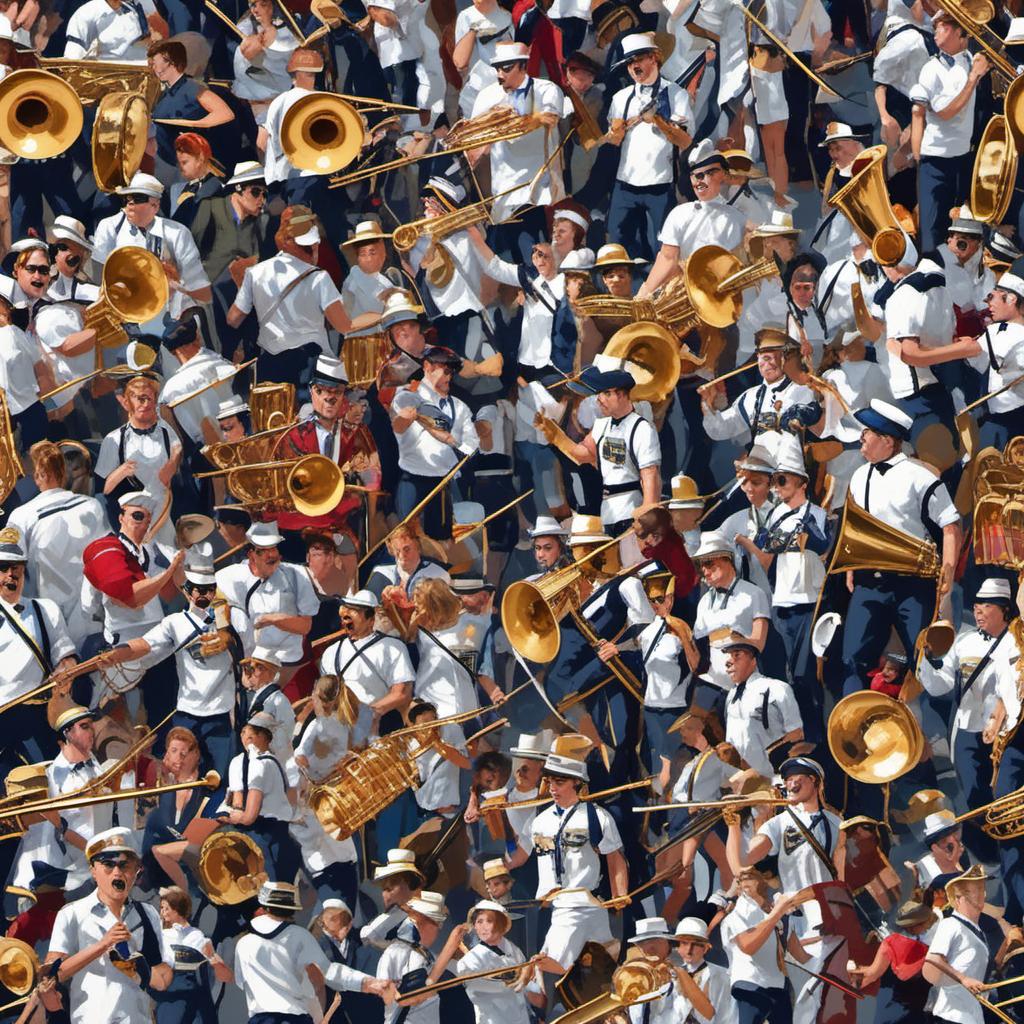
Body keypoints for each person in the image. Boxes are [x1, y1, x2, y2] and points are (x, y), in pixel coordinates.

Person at [841, 399, 962, 696]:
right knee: (852, 658)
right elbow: (856, 527)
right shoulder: (858, 476)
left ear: (887, 440)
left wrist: (946, 577)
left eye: (868, 432)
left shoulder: (920, 477)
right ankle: (854, 726)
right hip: (870, 582)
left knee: (924, 659)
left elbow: (951, 527)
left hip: (913, 582)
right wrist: (854, 565)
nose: (862, 438)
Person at [95, 555, 247, 779]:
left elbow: (245, 649)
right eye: (196, 589)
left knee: (222, 779)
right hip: (187, 712)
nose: (202, 595)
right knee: (178, 777)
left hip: (221, 715)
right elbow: (145, 644)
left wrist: (227, 635)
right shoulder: (174, 623)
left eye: (207, 589)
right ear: (186, 591)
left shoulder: (232, 619)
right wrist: (118, 655)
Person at [47, 828, 174, 1024]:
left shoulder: (148, 914)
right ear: (93, 872)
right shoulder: (71, 914)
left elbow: (162, 976)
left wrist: (135, 967)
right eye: (108, 865)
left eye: (125, 865)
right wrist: (102, 945)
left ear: (135, 871)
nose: (117, 873)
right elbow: (53, 974)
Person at [527, 745, 628, 975]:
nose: (553, 789)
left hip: (583, 902)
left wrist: (619, 894)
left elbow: (614, 857)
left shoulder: (597, 816)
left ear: (577, 783)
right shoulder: (540, 821)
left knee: (547, 968)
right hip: (553, 905)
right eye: (550, 782)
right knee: (594, 972)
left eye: (559, 783)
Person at [234, 881, 395, 1022]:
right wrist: (370, 983)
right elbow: (329, 972)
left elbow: (242, 983)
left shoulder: (243, 944)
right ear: (291, 910)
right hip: (294, 1019)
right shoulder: (300, 936)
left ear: (263, 908)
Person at [226, 205, 351, 385]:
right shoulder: (319, 278)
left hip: (273, 367)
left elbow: (233, 319)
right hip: (315, 366)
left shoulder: (255, 273)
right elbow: (344, 326)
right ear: (312, 244)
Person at [7, 440, 107, 646]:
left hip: (53, 626)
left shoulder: (21, 517)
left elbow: (10, 574)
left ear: (38, 475)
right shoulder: (93, 505)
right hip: (99, 617)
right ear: (63, 470)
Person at [605, 32, 692, 261]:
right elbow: (613, 141)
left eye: (639, 59)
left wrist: (658, 121)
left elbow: (685, 141)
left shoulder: (675, 94)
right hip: (625, 185)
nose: (635, 67)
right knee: (617, 246)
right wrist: (614, 133)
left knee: (663, 248)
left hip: (660, 185)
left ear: (654, 58)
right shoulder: (620, 98)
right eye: (630, 63)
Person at [909, 9, 990, 251]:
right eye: (935, 28)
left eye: (942, 28)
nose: (935, 34)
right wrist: (973, 79)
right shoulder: (931, 69)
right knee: (932, 234)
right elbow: (943, 112)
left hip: (964, 159)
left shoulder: (971, 60)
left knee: (963, 228)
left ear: (958, 31)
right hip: (935, 161)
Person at [0, 526, 77, 772]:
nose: (10, 575)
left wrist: (66, 674)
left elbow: (66, 657)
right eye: (2, 568)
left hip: (37, 713)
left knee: (50, 778)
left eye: (16, 569)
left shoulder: (45, 608)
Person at [638, 140, 748, 298]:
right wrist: (645, 293)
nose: (700, 180)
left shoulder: (737, 217)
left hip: (720, 296)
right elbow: (667, 258)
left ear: (723, 174)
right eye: (696, 175)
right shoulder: (679, 213)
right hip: (682, 294)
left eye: (709, 173)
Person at [216, 520, 319, 685]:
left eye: (273, 548)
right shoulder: (231, 576)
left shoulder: (297, 575)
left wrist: (273, 619)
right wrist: (223, 630)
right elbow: (212, 600)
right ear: (251, 555)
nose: (271, 555)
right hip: (247, 664)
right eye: (263, 550)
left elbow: (305, 626)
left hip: (288, 665)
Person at [319, 589, 415, 742]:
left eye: (355, 611)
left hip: (382, 727)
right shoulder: (330, 652)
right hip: (340, 730)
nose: (348, 614)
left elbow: (402, 693)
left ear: (371, 619)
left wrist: (371, 713)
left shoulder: (393, 648)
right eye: (347, 609)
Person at [923, 865, 992, 1024]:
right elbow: (933, 958)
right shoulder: (950, 925)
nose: (982, 895)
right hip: (953, 1014)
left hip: (971, 1012)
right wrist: (964, 979)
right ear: (960, 897)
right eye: (976, 890)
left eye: (982, 889)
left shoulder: (976, 929)